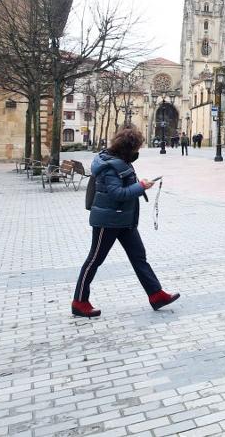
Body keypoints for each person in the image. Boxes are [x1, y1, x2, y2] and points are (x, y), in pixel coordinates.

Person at [73, 126, 180, 318]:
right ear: (128, 148)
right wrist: (141, 187)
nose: (138, 151)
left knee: (139, 256)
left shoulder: (120, 161)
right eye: (137, 147)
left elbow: (124, 185)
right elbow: (117, 194)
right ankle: (79, 301)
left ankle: (156, 295)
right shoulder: (110, 165)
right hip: (108, 220)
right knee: (94, 260)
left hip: (123, 219)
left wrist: (140, 184)